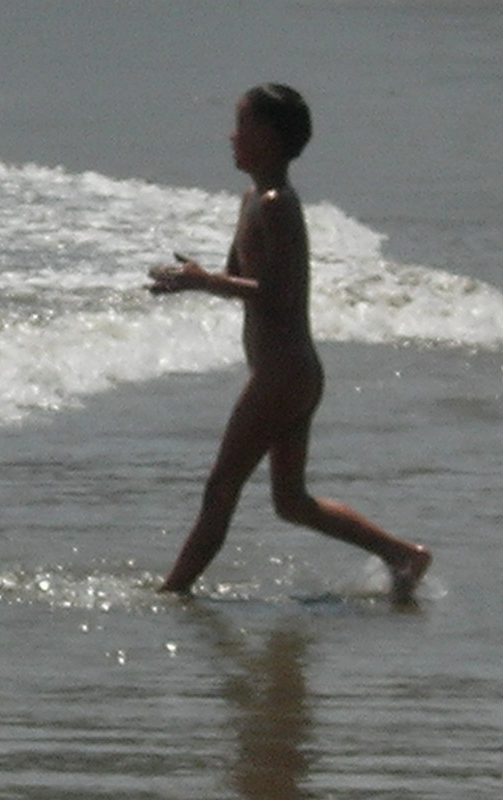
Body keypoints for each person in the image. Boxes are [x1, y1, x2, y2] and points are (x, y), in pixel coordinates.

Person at [148, 83, 431, 604]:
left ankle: (171, 595)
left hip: (283, 374)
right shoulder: (253, 199)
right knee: (291, 502)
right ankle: (402, 555)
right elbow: (242, 277)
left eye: (243, 126)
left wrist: (205, 280)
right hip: (293, 374)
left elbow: (277, 294)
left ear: (271, 138)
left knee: (221, 486)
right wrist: (191, 277)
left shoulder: (277, 204)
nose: (231, 137)